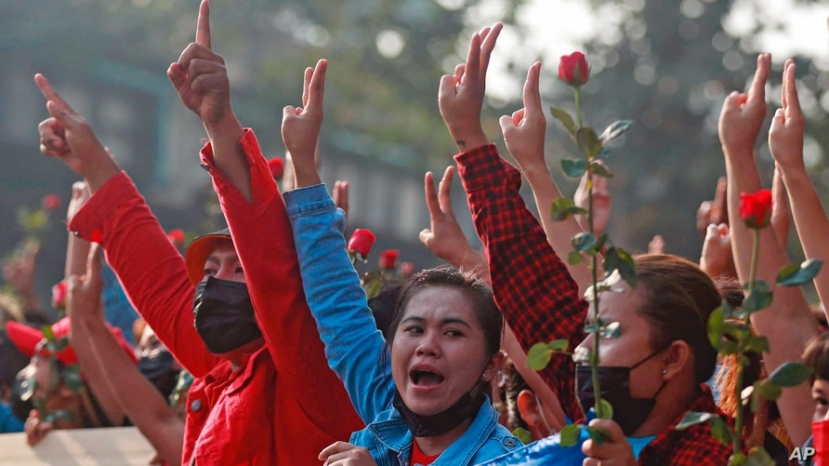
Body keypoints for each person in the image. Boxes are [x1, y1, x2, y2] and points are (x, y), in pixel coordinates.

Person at [32, 1, 361, 462]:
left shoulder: (308, 372)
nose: (212, 282)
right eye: (208, 270)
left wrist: (218, 122)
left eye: (235, 269)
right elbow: (160, 283)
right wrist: (93, 164)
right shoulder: (225, 368)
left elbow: (270, 258)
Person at [439, 25, 734, 464]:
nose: (579, 347)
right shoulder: (599, 412)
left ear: (672, 358)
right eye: (589, 327)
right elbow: (527, 277)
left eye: (604, 332)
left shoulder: (714, 453)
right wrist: (469, 136)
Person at [280, 48, 521, 464]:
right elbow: (337, 303)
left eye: (453, 332)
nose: (427, 346)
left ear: (491, 365)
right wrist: (303, 162)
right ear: (390, 347)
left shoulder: (509, 461)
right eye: (413, 329)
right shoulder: (385, 406)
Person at [5, 315, 137, 446]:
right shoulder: (46, 437)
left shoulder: (132, 443)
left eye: (35, 364)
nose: (25, 373)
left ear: (67, 387)